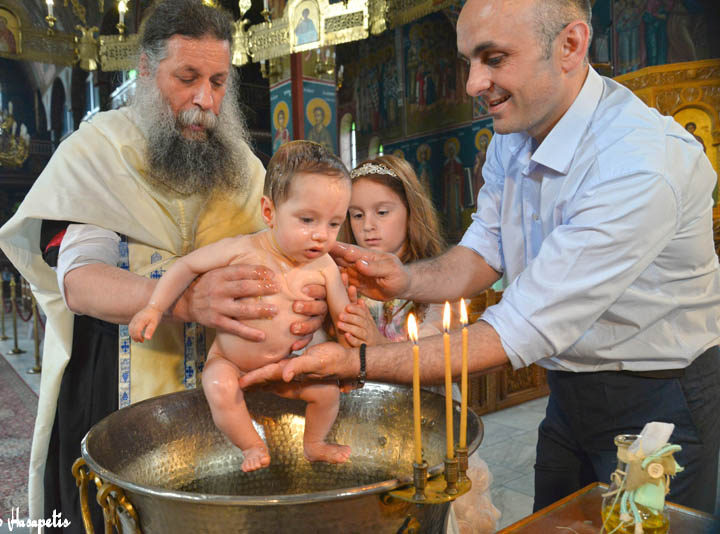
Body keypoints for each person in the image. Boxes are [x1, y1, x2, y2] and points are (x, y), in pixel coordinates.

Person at [241, 0, 720, 517]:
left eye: (494, 58)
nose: (473, 83)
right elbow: (481, 253)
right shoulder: (514, 139)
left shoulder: (638, 166)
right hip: (568, 391)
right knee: (556, 524)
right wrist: (403, 279)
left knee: (641, 528)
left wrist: (356, 363)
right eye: (469, 60)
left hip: (658, 398)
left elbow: (519, 328)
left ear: (570, 45)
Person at [0, 0, 327, 530]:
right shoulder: (96, 153)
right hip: (116, 393)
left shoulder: (243, 167)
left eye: (218, 82)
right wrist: (187, 300)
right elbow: (79, 284)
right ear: (146, 70)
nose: (204, 100)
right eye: (187, 78)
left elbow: (291, 258)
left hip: (233, 401)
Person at [130, 140, 353, 471]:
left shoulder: (325, 266)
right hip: (232, 362)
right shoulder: (244, 250)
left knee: (327, 391)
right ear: (269, 212)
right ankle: (251, 445)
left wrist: (351, 358)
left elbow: (344, 317)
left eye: (334, 224)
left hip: (291, 365)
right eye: (307, 220)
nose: (321, 235)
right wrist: (154, 307)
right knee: (217, 385)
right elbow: (186, 266)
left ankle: (315, 443)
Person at [337, 156, 501, 534]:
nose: (368, 226)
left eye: (382, 212)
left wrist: (374, 343)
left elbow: (436, 365)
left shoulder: (438, 284)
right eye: (356, 215)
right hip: (366, 434)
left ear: (411, 212)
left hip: (429, 435)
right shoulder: (345, 279)